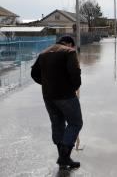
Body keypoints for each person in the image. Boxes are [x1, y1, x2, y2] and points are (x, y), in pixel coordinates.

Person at [31, 35, 83, 169]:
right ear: (70, 44)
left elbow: (34, 74)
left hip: (48, 96)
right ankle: (64, 157)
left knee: (57, 123)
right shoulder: (69, 52)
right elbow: (75, 72)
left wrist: (47, 84)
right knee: (75, 123)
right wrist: (74, 86)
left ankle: (63, 157)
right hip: (66, 96)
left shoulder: (44, 53)